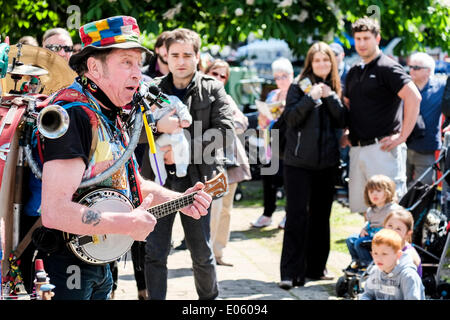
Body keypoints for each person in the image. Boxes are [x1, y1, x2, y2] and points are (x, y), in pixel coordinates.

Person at [21, 16, 212, 300]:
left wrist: (181, 199)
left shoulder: (111, 114)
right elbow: (55, 211)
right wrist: (125, 225)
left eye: (138, 63)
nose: (138, 73)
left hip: (99, 260)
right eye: (126, 62)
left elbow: (134, 184)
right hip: (62, 264)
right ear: (94, 67)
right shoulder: (75, 116)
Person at [144, 28, 234, 300]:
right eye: (174, 55)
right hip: (159, 181)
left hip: (198, 180)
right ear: (165, 57)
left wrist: (180, 151)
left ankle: (208, 301)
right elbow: (133, 129)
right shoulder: (151, 89)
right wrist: (157, 126)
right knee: (155, 252)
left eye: (186, 55)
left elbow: (225, 133)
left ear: (197, 56)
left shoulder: (212, 87)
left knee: (201, 251)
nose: (180, 61)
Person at [278, 41, 347, 290]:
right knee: (296, 216)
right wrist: (311, 98)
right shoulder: (298, 87)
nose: (322, 64)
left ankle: (316, 268)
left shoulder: (335, 88)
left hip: (326, 164)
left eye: (326, 60)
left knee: (321, 216)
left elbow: (342, 119)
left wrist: (330, 98)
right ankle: (290, 272)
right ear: (310, 63)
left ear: (332, 63)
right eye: (317, 60)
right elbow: (291, 119)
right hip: (298, 164)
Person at [342, 17, 422, 214]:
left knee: (390, 211)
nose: (361, 43)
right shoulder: (353, 71)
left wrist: (403, 135)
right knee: (367, 211)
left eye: (366, 38)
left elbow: (414, 97)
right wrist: (346, 131)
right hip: (358, 149)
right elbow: (348, 104)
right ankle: (372, 245)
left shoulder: (388, 67)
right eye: (358, 38)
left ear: (377, 39)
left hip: (383, 148)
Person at [206, 59, 252, 266]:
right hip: (207, 161)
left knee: (226, 209)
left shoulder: (227, 98)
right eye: (215, 73)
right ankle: (204, 254)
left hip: (230, 161)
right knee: (212, 209)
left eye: (223, 76)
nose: (218, 78)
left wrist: (224, 125)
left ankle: (218, 253)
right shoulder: (199, 97)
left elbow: (242, 122)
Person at [251, 57, 293, 229]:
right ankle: (267, 213)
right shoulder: (271, 95)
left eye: (284, 76)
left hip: (288, 144)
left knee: (289, 180)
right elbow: (263, 123)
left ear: (291, 75)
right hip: (270, 143)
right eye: (277, 77)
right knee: (268, 179)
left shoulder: (295, 94)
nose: (281, 80)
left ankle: (288, 215)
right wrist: (263, 118)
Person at [346, 174, 402, 271]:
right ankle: (357, 261)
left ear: (387, 192)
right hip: (371, 234)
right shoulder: (371, 210)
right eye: (371, 192)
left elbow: (397, 224)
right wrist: (364, 229)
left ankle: (368, 264)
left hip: (384, 238)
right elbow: (369, 223)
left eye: (378, 191)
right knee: (350, 239)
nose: (374, 194)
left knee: (359, 243)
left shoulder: (392, 209)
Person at [406, 52, 447, 186]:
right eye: (410, 67)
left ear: (429, 71)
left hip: (425, 146)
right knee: (400, 183)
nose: (412, 70)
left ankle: (413, 207)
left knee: (422, 185)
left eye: (416, 68)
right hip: (403, 144)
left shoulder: (441, 87)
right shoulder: (404, 85)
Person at [359, 228, 425, 300]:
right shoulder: (375, 272)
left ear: (398, 255)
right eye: (375, 253)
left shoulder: (408, 276)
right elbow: (368, 294)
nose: (378, 258)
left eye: (384, 254)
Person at [149, 94, 192, 185]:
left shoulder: (169, 100)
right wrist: (158, 126)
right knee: (153, 153)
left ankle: (182, 167)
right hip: (161, 138)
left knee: (183, 144)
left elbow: (181, 108)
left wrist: (185, 119)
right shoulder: (146, 108)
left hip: (176, 133)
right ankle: (160, 176)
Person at [383, 209, 422, 276]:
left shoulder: (408, 255)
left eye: (398, 229)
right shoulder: (387, 247)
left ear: (408, 233)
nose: (392, 230)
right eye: (390, 226)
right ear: (384, 226)